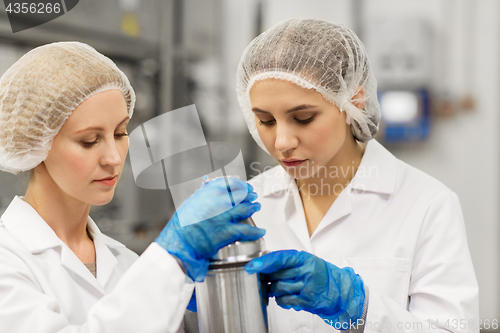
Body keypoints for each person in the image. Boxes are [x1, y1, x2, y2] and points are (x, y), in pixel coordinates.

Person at [0, 42, 264, 333]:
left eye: (120, 133)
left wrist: (213, 300)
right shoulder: (8, 258)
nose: (114, 158)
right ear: (36, 143)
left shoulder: (125, 261)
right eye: (89, 140)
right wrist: (170, 260)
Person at [235, 18, 479, 332]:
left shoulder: (427, 205)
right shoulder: (250, 205)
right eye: (266, 121)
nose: (282, 142)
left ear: (353, 101)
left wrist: (361, 309)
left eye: (303, 118)